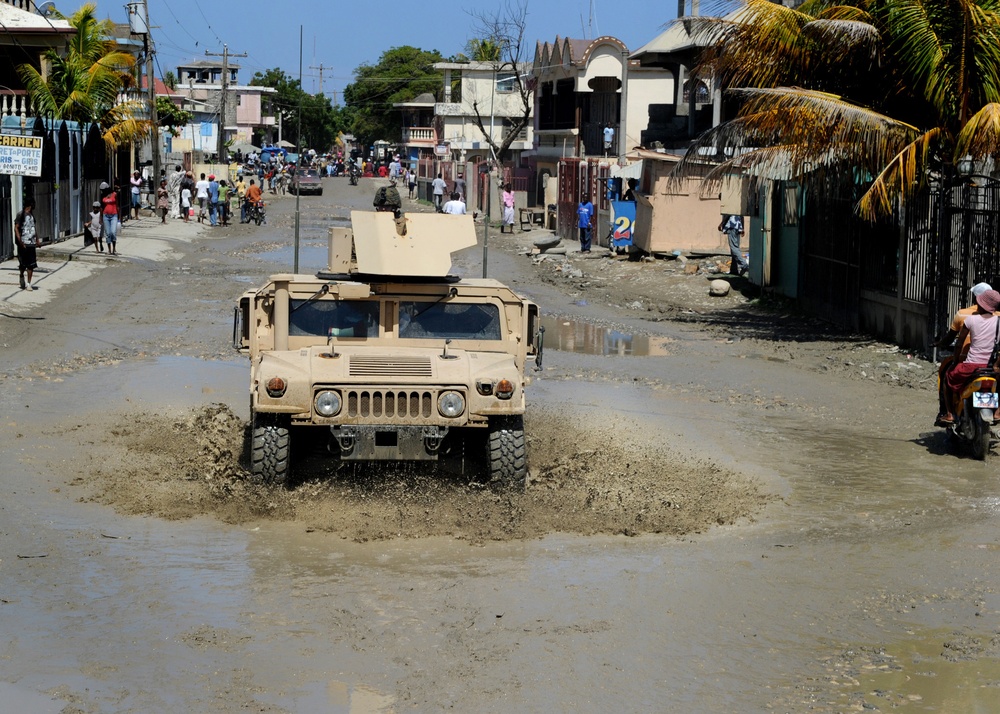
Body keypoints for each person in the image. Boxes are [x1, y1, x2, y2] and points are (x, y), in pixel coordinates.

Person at [936, 282, 994, 423]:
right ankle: (996, 412)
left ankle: (949, 413)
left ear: (976, 298)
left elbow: (953, 339)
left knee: (947, 377)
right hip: (991, 365)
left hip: (968, 363)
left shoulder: (965, 315)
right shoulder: (997, 318)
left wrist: (940, 344)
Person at [14, 199, 38, 290]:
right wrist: (20, 241)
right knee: (23, 264)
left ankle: (29, 283)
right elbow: (16, 228)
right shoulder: (21, 215)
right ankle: (21, 275)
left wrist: (37, 240)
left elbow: (34, 227)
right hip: (23, 243)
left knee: (31, 264)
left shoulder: (32, 216)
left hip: (31, 243)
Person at [100, 181, 119, 255]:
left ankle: (114, 249)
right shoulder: (103, 196)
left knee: (113, 232)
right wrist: (100, 217)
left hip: (114, 215)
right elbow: (102, 207)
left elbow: (117, 205)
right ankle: (109, 250)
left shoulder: (114, 194)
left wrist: (119, 217)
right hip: (106, 216)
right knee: (107, 233)